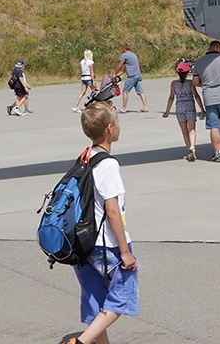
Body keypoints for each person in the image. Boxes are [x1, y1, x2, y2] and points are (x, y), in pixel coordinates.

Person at [65, 101, 139, 344]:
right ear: (109, 128)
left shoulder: (85, 156)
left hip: (83, 242)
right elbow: (113, 210)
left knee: (97, 301)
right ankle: (82, 342)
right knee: (121, 298)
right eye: (117, 122)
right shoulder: (108, 164)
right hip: (107, 245)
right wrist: (126, 252)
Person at [162, 62, 205, 162]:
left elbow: (171, 97)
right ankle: (192, 148)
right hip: (190, 106)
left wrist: (167, 111)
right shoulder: (190, 83)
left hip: (179, 107)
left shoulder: (173, 83)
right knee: (192, 129)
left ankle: (189, 151)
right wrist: (202, 109)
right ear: (187, 73)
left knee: (184, 131)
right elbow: (196, 96)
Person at [113, 44, 148, 114]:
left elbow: (119, 66)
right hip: (138, 75)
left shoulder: (124, 55)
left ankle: (123, 108)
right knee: (140, 91)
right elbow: (125, 69)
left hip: (132, 76)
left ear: (124, 49)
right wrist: (117, 75)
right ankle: (145, 107)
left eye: (121, 49)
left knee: (125, 91)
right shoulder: (133, 55)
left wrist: (114, 73)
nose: (121, 51)